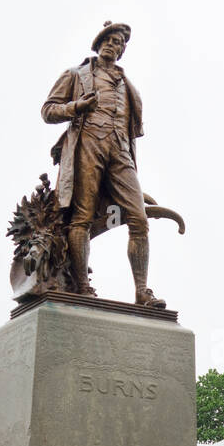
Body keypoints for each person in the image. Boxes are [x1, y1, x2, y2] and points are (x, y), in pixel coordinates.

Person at [41, 21, 165, 307]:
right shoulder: (75, 75)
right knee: (82, 216)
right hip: (87, 145)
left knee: (139, 219)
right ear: (98, 45)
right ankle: (83, 287)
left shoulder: (130, 88)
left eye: (119, 42)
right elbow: (48, 111)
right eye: (108, 39)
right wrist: (76, 107)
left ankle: (142, 292)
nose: (113, 44)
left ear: (122, 50)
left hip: (120, 151)